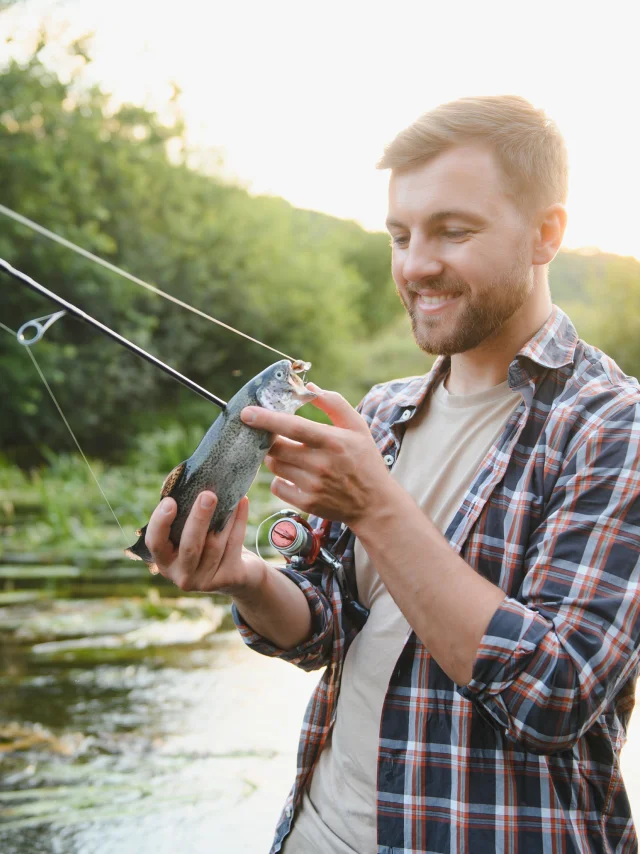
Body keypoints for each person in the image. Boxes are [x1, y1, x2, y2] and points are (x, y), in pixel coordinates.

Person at [144, 95, 640, 853]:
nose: (414, 266)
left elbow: (555, 695)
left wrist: (377, 507)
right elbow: (328, 625)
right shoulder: (381, 411)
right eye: (400, 236)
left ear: (546, 234)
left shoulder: (613, 428)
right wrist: (245, 578)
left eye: (453, 231)